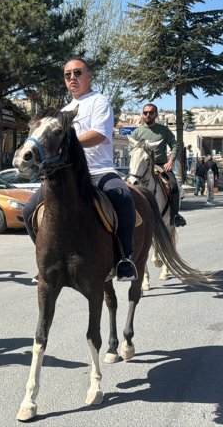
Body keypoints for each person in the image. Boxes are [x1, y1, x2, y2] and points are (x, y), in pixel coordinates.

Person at [23, 58, 138, 282]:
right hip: (67, 174)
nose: (72, 78)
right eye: (67, 75)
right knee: (28, 210)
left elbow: (100, 134)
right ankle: (46, 260)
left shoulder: (99, 101)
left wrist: (69, 144)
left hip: (98, 170)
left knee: (123, 197)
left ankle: (125, 258)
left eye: (77, 72)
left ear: (89, 75)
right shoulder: (62, 111)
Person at [129, 103, 186, 227]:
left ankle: (175, 215)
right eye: (145, 113)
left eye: (151, 112)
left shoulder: (163, 130)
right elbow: (131, 150)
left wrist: (170, 161)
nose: (148, 115)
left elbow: (175, 145)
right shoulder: (137, 133)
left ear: (156, 114)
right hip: (141, 166)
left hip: (161, 165)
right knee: (128, 186)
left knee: (173, 184)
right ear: (142, 114)